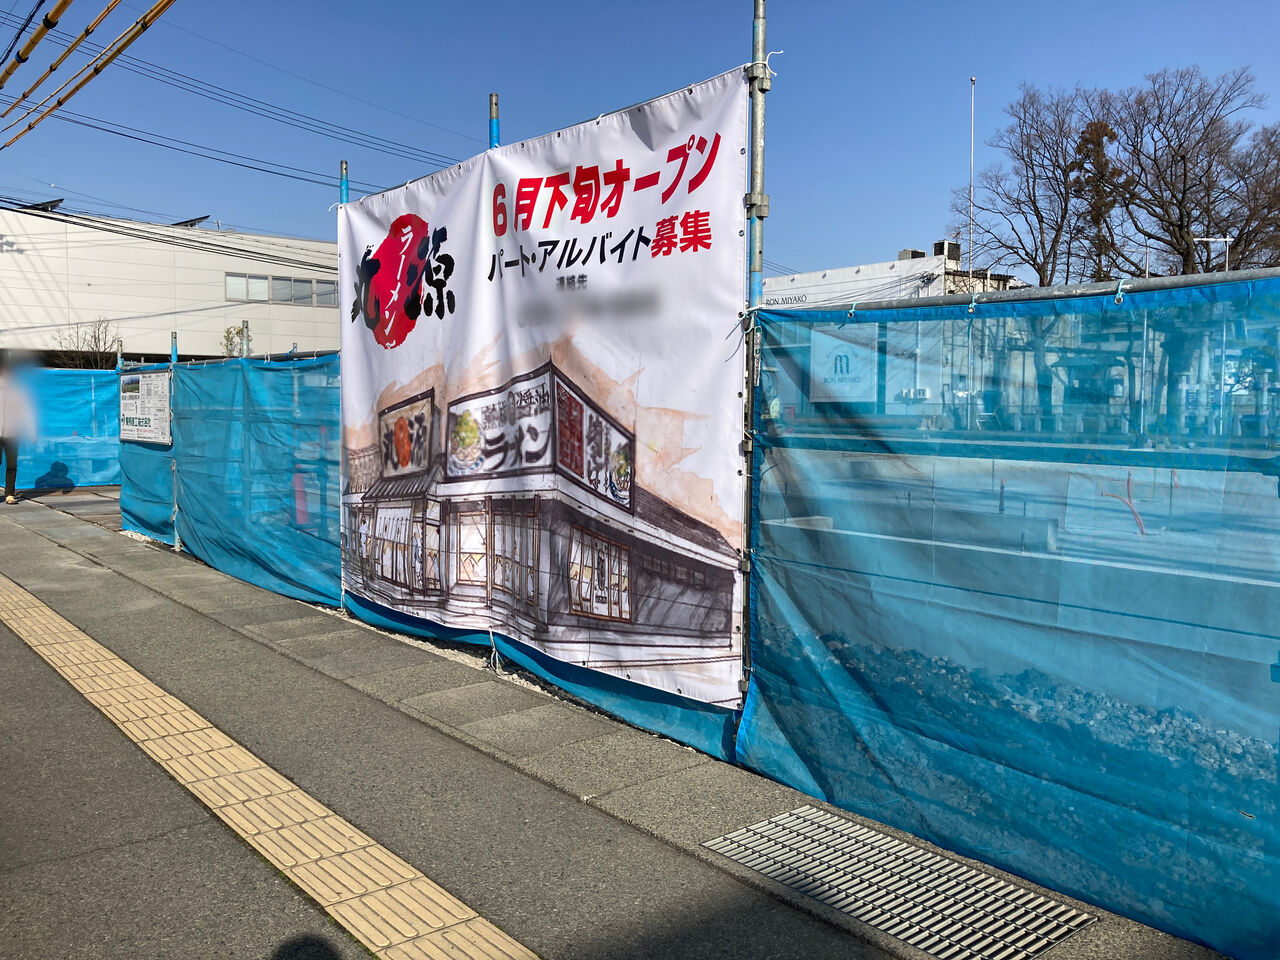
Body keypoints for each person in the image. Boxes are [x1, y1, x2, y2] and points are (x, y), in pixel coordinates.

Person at [0, 351, 36, 505]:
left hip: (13, 433)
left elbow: (27, 411)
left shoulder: (19, 390)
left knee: (12, 464)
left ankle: (9, 494)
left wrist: (32, 431)